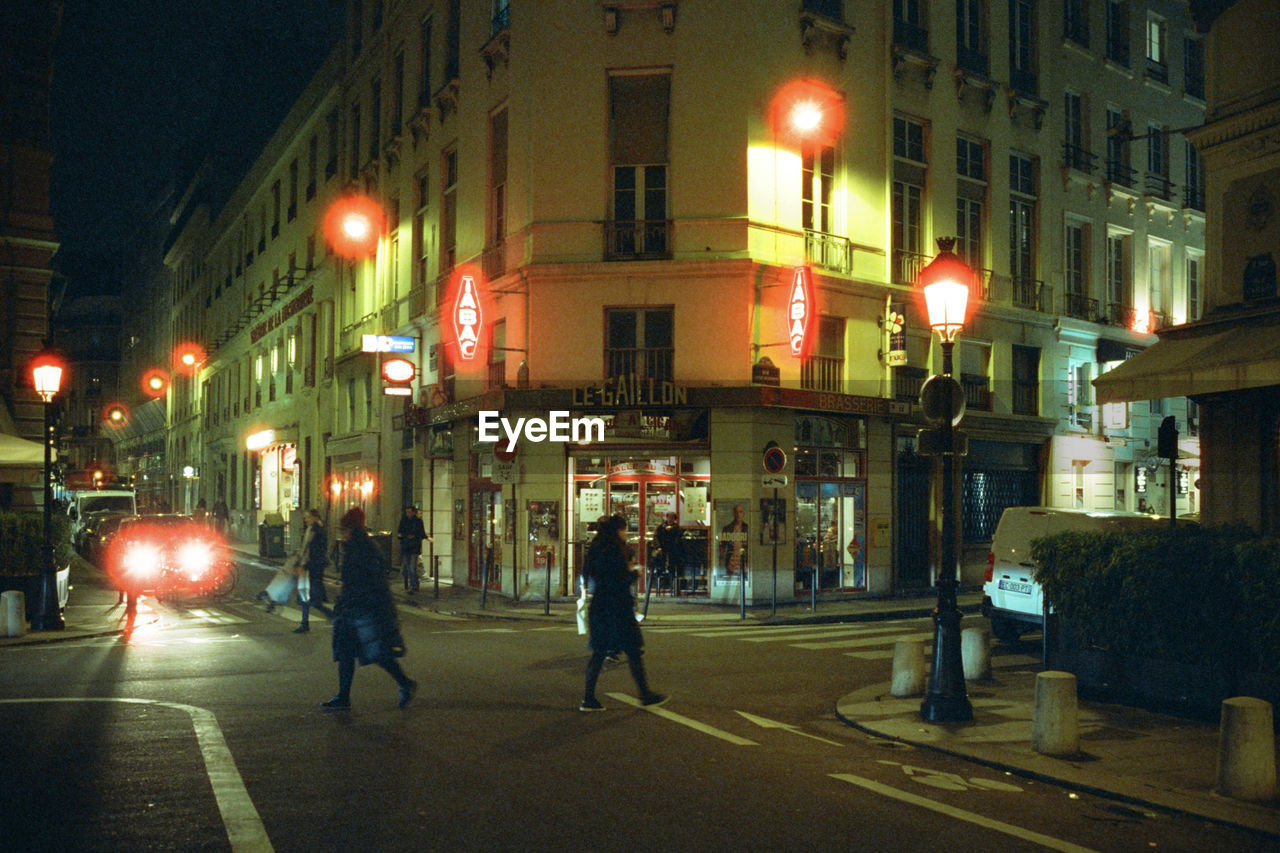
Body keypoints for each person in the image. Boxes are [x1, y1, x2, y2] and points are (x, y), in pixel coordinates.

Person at [322, 507, 417, 711]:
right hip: (359, 608)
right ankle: (344, 695)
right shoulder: (363, 546)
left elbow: (359, 582)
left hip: (362, 610)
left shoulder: (358, 549)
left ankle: (404, 683)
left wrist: (346, 604)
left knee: (376, 652)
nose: (342, 534)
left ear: (350, 529)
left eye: (343, 529)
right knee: (350, 652)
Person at [580, 515, 665, 712]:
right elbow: (619, 579)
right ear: (617, 530)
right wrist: (635, 573)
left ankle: (588, 698)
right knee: (633, 651)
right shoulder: (613, 549)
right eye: (624, 530)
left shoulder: (595, 547)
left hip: (600, 605)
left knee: (599, 652)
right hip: (618, 607)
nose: (625, 533)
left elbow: (590, 573)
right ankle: (645, 694)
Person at [293, 508, 333, 633]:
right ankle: (304, 624)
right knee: (305, 597)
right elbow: (306, 550)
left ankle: (333, 615)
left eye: (308, 517)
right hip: (306, 568)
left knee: (315, 600)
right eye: (305, 517)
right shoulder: (309, 530)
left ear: (315, 518)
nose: (306, 520)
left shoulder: (319, 532)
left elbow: (316, 554)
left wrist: (304, 566)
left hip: (313, 570)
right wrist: (299, 561)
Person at [652, 512, 687, 594]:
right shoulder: (661, 527)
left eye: (672, 518)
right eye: (669, 518)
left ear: (674, 519)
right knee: (661, 567)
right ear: (666, 518)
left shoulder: (677, 529)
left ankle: (673, 588)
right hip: (663, 551)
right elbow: (656, 537)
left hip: (673, 552)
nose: (670, 520)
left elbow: (679, 540)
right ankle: (661, 586)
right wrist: (658, 547)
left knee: (673, 568)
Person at [397, 505, 427, 594]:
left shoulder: (418, 522)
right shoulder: (403, 521)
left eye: (409, 512)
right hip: (406, 547)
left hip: (414, 547)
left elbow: (421, 534)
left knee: (412, 567)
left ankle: (413, 585)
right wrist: (405, 536)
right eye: (407, 512)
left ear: (413, 512)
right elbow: (399, 533)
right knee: (407, 567)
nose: (408, 514)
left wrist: (414, 536)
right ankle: (415, 583)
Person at [719, 504, 748, 575]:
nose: (738, 514)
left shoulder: (747, 528)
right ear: (734, 514)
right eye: (736, 512)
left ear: (743, 514)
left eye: (740, 512)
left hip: (743, 559)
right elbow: (722, 545)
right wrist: (721, 559)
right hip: (731, 560)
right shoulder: (727, 528)